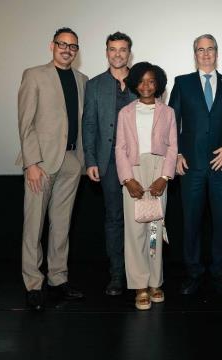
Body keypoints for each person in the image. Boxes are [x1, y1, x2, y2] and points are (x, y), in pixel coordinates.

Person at [16, 27, 87, 312]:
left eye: (73, 46)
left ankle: (58, 279)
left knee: (62, 226)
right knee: (34, 226)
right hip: (42, 164)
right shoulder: (34, 75)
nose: (67, 49)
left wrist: (82, 160)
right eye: (62, 44)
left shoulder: (82, 80)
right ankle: (33, 283)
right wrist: (31, 163)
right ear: (52, 46)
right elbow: (25, 123)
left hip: (71, 161)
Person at [168, 34, 222, 295]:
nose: (206, 54)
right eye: (201, 49)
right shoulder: (182, 83)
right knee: (191, 222)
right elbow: (171, 123)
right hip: (191, 167)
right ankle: (193, 272)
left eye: (210, 49)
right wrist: (175, 155)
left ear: (217, 52)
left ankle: (220, 272)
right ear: (195, 54)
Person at [115, 62, 178, 310]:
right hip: (133, 171)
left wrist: (165, 177)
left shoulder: (168, 112)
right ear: (134, 84)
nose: (146, 85)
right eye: (141, 81)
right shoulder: (125, 113)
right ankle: (140, 285)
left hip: (158, 172)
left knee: (154, 229)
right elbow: (119, 148)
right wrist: (128, 179)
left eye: (151, 81)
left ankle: (155, 282)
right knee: (134, 231)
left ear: (159, 84)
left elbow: (173, 147)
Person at [82, 32, 136, 296]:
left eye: (123, 50)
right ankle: (117, 275)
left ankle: (142, 274)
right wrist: (90, 160)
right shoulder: (94, 85)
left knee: (144, 219)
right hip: (109, 163)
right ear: (106, 52)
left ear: (129, 53)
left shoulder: (142, 82)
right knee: (114, 219)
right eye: (113, 49)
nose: (118, 54)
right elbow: (89, 124)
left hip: (139, 164)